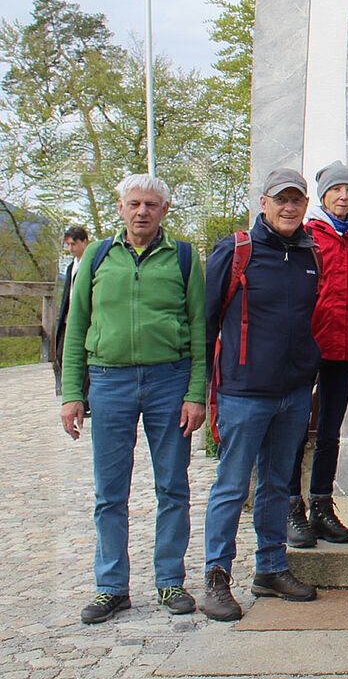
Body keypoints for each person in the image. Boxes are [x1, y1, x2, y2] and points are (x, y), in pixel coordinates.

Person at [59, 175, 205, 624]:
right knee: (109, 491)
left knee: (172, 487)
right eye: (135, 203)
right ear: (121, 208)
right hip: (109, 380)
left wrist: (196, 394)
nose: (142, 211)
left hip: (169, 381)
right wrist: (72, 393)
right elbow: (76, 325)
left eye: (151, 205)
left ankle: (170, 580)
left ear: (164, 210)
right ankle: (111, 587)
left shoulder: (184, 257)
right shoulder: (98, 256)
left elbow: (199, 327)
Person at [202, 168, 324, 621]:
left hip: (293, 392)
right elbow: (206, 321)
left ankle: (271, 568)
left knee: (276, 485)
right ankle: (216, 577)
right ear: (264, 203)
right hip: (244, 392)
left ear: (305, 205)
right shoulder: (237, 251)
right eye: (281, 200)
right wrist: (201, 389)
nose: (289, 208)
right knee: (232, 486)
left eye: (297, 200)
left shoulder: (310, 254)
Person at [286, 161, 348, 548]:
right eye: (337, 190)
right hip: (307, 347)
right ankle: (292, 506)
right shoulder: (307, 236)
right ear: (323, 196)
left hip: (342, 348)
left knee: (330, 431)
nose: (344, 196)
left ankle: (322, 505)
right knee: (295, 429)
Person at [53, 225, 89, 399]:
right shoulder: (71, 267)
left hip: (86, 317)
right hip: (70, 317)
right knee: (62, 353)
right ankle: (71, 392)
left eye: (73, 244)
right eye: (68, 245)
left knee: (85, 358)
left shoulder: (92, 264)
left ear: (84, 242)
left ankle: (85, 397)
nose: (70, 248)